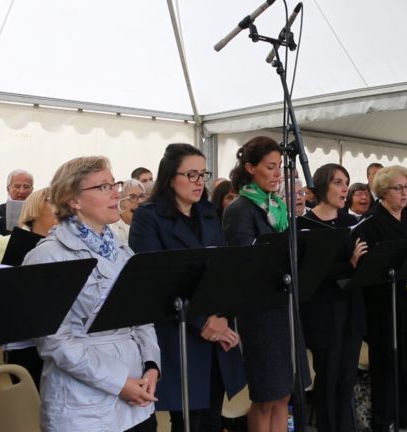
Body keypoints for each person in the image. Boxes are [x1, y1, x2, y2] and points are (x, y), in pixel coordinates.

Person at [23, 156, 160, 432]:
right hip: (82, 407)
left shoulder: (123, 251)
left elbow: (142, 318)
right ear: (73, 199)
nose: (116, 193)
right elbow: (54, 342)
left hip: (138, 400)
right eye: (103, 187)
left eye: (114, 184)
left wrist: (151, 365)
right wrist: (119, 382)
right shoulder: (48, 256)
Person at [129, 143, 246, 432]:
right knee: (188, 422)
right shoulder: (148, 217)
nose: (199, 182)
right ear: (170, 178)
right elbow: (157, 281)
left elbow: (227, 271)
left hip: (216, 331)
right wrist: (203, 322)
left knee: (213, 419)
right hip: (180, 331)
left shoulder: (208, 212)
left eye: (203, 175)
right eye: (191, 175)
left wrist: (223, 317)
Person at [222, 136, 310, 432]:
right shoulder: (240, 208)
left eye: (279, 166)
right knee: (266, 397)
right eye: (270, 167)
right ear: (250, 168)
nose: (277, 174)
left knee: (284, 393)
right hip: (258, 312)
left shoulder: (277, 205)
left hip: (283, 305)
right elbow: (244, 262)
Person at [357, 165, 407, 432]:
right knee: (387, 365)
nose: (404, 193)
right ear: (382, 192)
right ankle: (383, 420)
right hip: (385, 308)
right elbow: (367, 273)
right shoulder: (370, 224)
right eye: (398, 188)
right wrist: (402, 289)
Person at [299, 163, 368, 432]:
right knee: (328, 378)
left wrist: (359, 263)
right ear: (321, 186)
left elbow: (362, 262)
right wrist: (348, 264)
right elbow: (310, 273)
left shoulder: (352, 223)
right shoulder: (303, 225)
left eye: (346, 183)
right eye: (338, 182)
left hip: (351, 309)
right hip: (323, 313)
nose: (344, 189)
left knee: (347, 378)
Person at [0, 187, 58, 389]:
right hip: (22, 345)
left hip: (56, 341)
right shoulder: (10, 244)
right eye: (54, 201)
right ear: (36, 208)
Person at [110, 179, 147, 246]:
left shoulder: (150, 225)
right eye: (132, 197)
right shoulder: (111, 231)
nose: (140, 201)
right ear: (120, 202)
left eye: (142, 196)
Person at [0, 169, 34, 235]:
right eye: (17, 186)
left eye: (26, 187)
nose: (22, 191)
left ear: (32, 190)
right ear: (8, 189)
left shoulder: (39, 213)